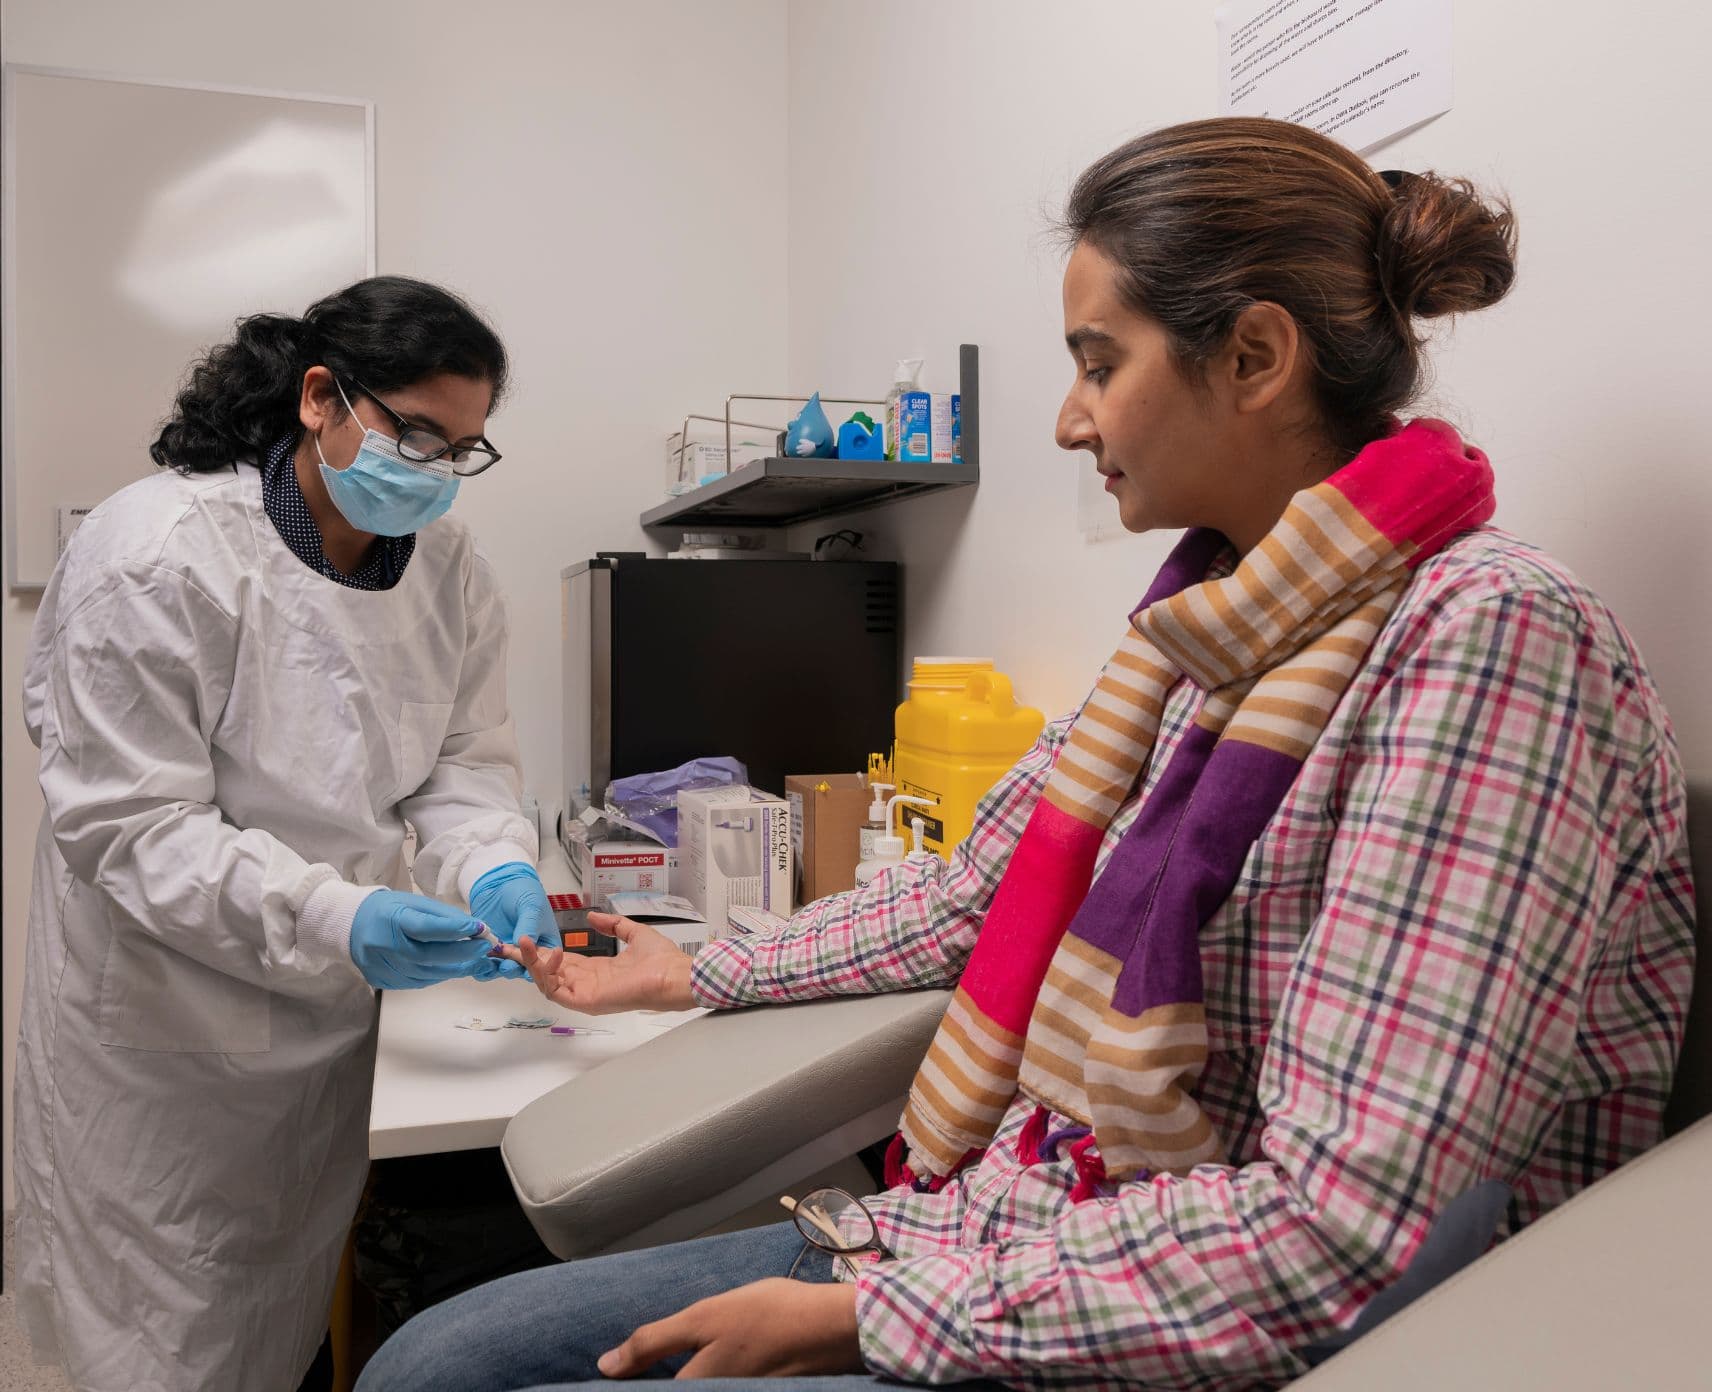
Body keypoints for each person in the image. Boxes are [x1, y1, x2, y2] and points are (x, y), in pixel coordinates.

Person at [358, 120, 1696, 1392]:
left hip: (1182, 1312)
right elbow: (966, 895)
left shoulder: (1490, 639)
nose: (1067, 421)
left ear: (1254, 358)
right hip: (1007, 1217)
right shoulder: (1199, 637)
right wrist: (689, 965)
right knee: (429, 1362)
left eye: (1098, 361)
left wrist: (870, 1313)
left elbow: (1345, 1230)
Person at [14, 275, 559, 1392]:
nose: (436, 470)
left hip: (318, 1017)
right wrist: (336, 911)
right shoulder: (157, 552)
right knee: (153, 1331)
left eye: (462, 449)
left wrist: (495, 861)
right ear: (321, 397)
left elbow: (460, 763)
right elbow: (131, 827)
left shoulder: (450, 574)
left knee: (281, 1307)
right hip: (161, 1028)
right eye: (414, 433)